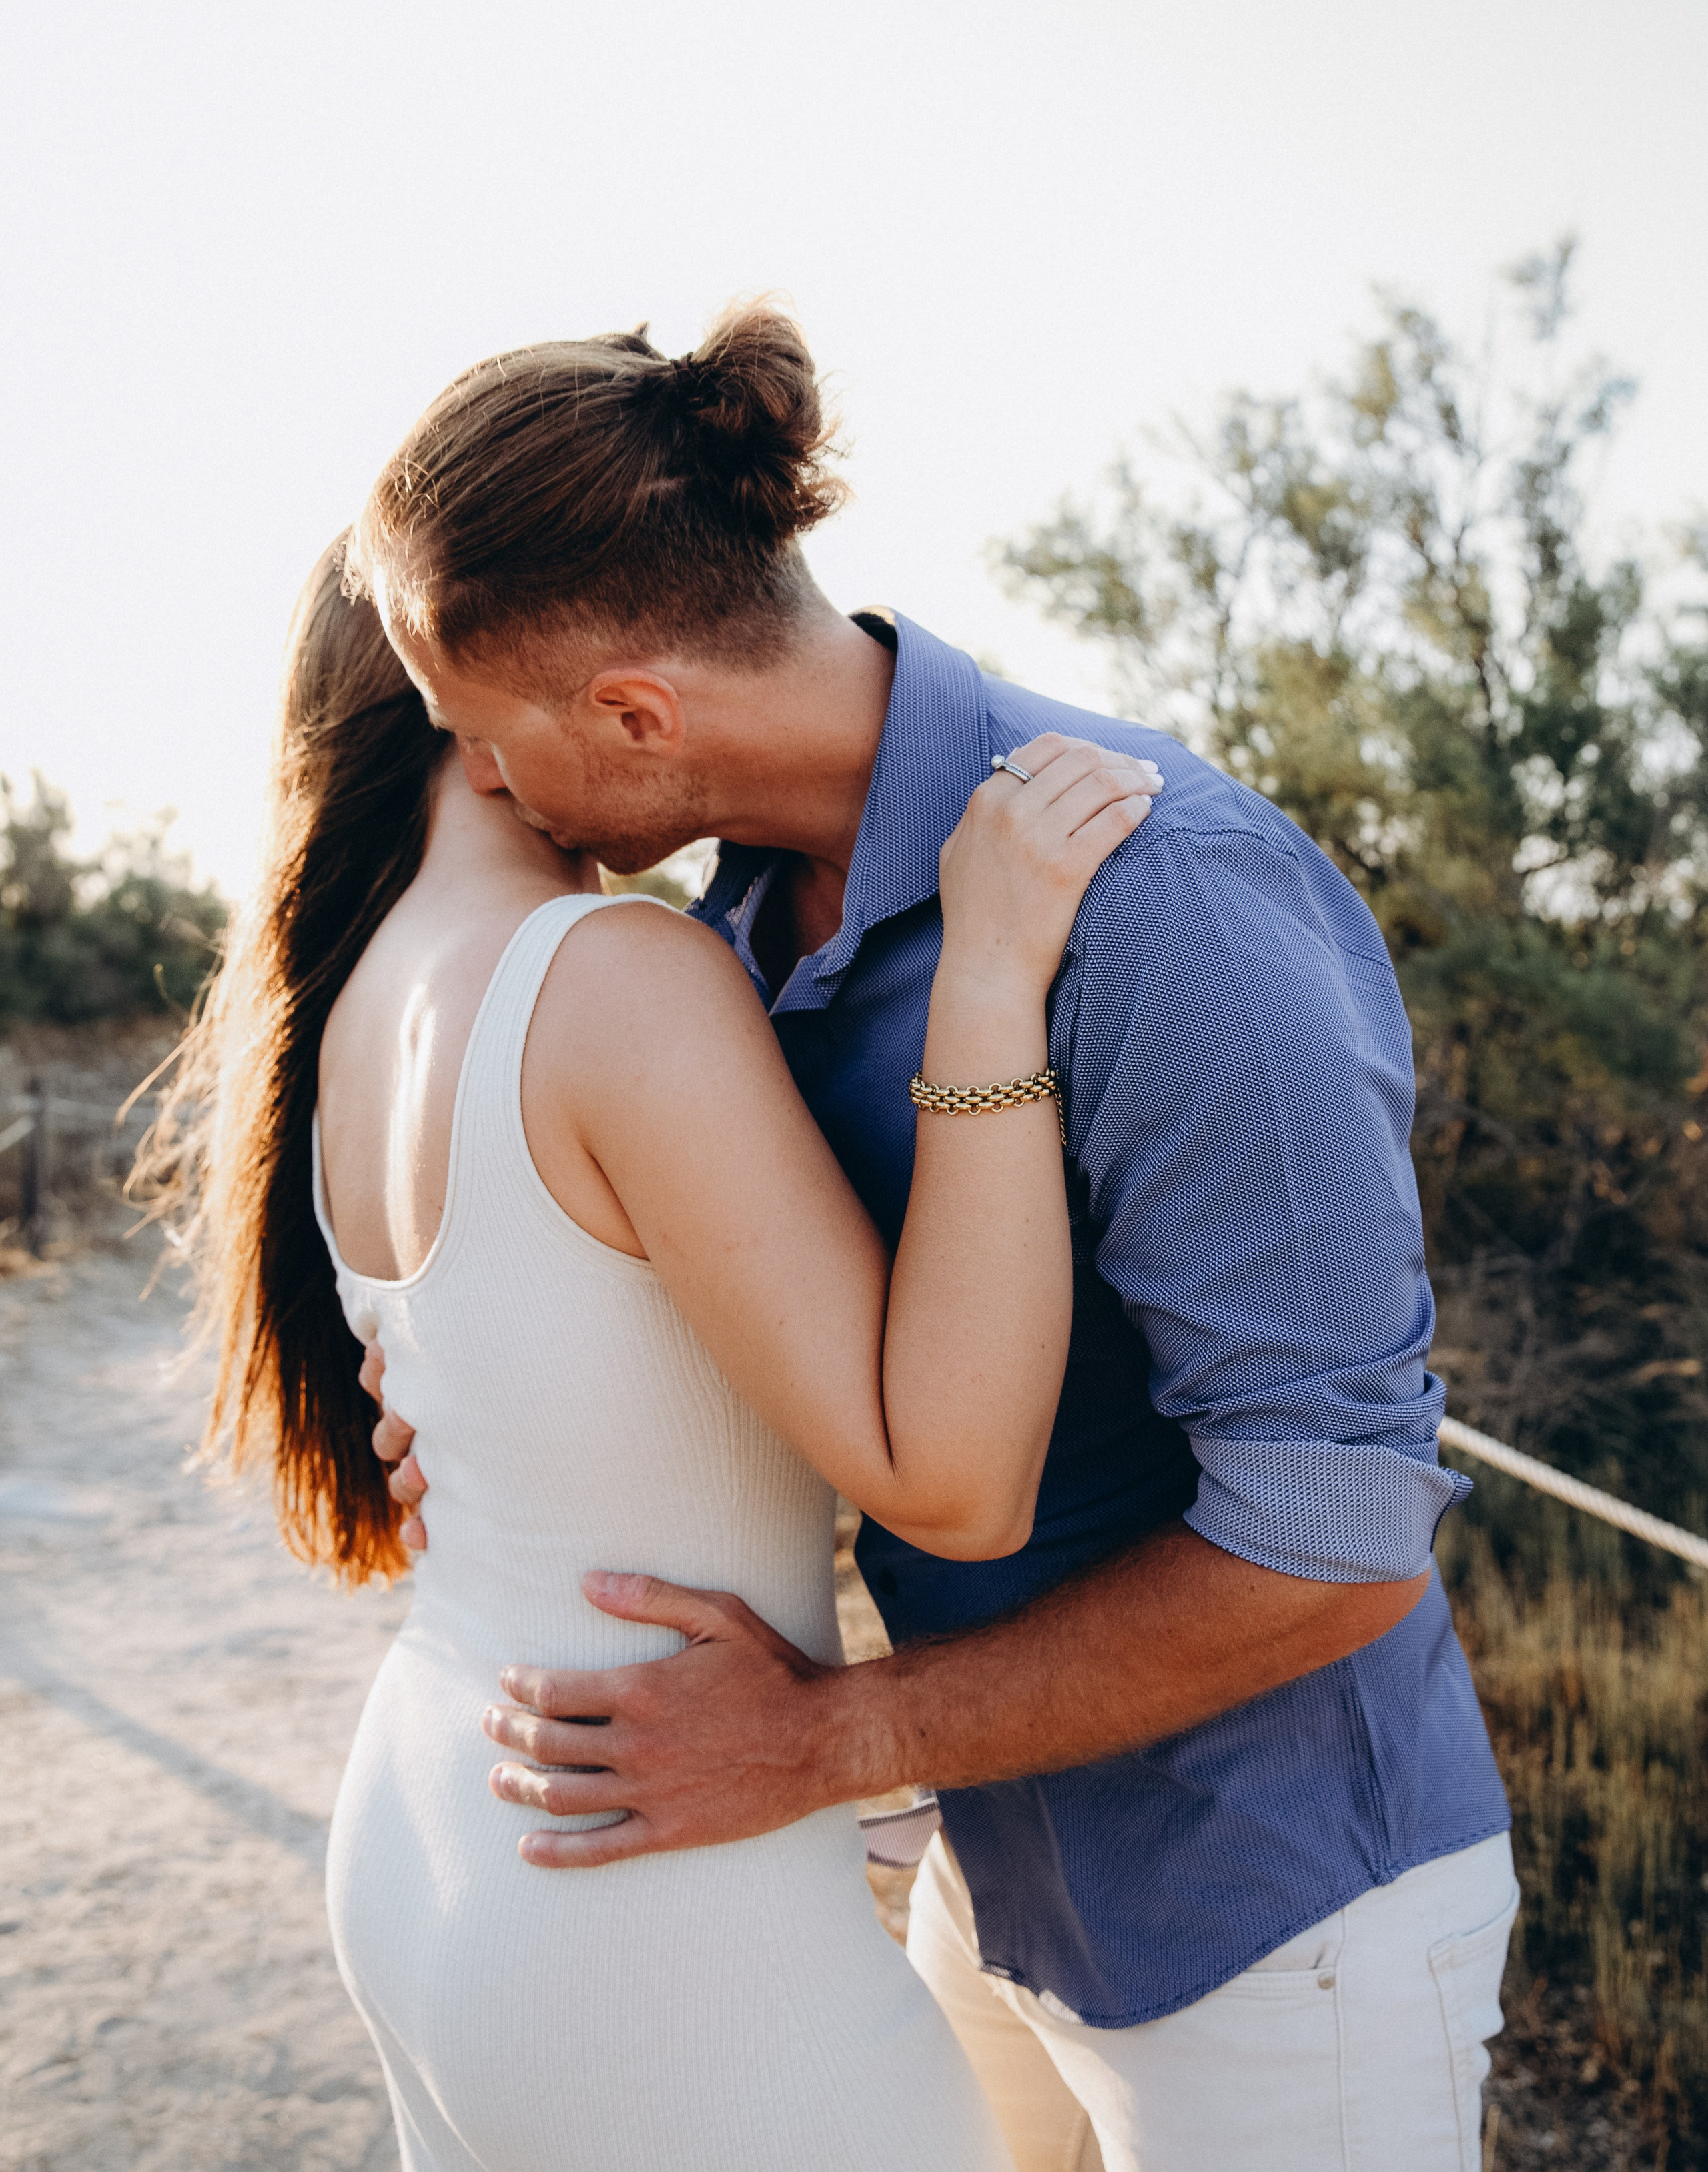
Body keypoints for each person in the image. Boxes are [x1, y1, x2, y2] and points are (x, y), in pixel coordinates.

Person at [354, 300, 1519, 2172]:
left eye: (478, 733)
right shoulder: (738, 930)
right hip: (996, 1854)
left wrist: (829, 1741)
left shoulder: (1168, 904)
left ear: (636, 714)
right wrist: (496, 1401)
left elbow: (1338, 1535)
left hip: (1281, 1924)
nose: (483, 779)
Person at [139, 528, 1160, 2172]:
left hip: (442, 1829)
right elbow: (958, 1479)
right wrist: (986, 977)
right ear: (470, 702)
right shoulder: (612, 973)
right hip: (637, 1906)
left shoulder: (353, 1004)